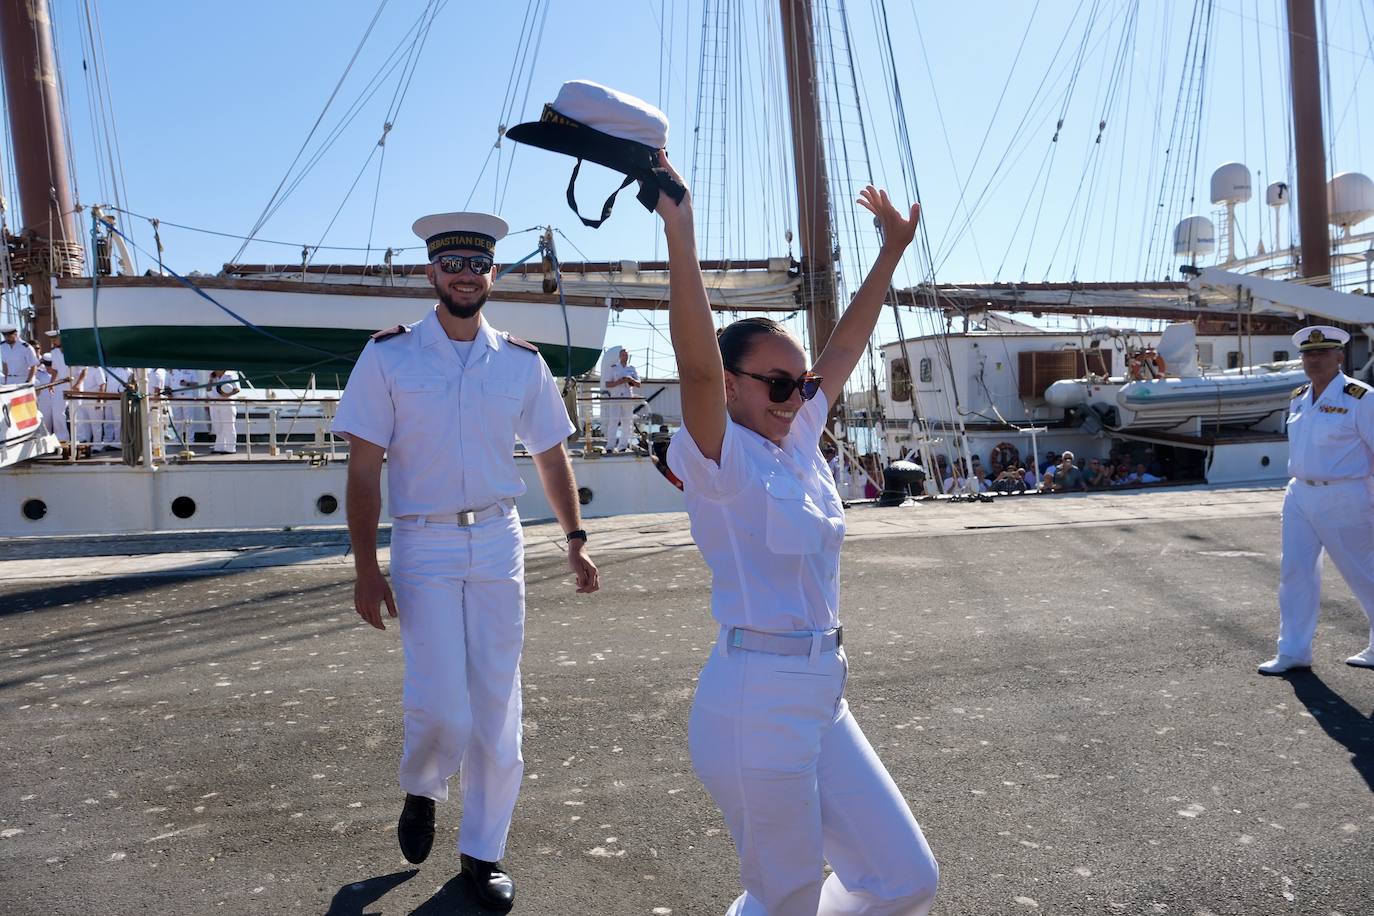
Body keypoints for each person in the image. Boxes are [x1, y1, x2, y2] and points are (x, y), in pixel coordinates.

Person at [659, 156, 938, 916]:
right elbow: (694, 367)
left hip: (823, 690)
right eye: (777, 384)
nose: (795, 395)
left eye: (799, 382)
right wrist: (680, 230)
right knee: (785, 899)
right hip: (755, 702)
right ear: (732, 385)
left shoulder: (796, 435)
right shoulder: (718, 456)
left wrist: (891, 252)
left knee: (906, 878)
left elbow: (844, 349)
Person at [332, 211, 599, 909]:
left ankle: (483, 851)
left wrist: (574, 538)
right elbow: (363, 470)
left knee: (497, 703)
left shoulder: (520, 362)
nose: (465, 276)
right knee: (442, 702)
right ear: (432, 272)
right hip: (422, 542)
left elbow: (550, 454)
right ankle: (423, 785)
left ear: (491, 275)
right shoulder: (387, 357)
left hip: (498, 539)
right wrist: (366, 569)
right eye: (452, 265)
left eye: (477, 265)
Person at [1258, 325, 1374, 675]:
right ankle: (1293, 651)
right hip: (1299, 493)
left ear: (1340, 356)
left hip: (1345, 493)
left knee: (1363, 573)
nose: (1314, 359)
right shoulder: (1298, 396)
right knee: (1295, 572)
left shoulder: (1361, 398)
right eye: (1308, 353)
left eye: (1322, 352)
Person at [602, 346, 641, 452]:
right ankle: (610, 446)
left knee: (627, 423)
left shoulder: (632, 368)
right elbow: (607, 384)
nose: (625, 357)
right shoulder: (613, 368)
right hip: (616, 398)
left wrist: (630, 379)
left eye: (626, 355)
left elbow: (638, 384)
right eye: (623, 355)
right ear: (620, 356)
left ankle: (623, 446)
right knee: (613, 422)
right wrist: (619, 381)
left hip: (628, 398)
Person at [207, 369, 240, 454]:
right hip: (214, 403)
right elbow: (208, 390)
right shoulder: (213, 378)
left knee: (228, 426)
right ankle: (219, 447)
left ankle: (230, 448)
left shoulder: (230, 375)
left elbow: (237, 389)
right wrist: (210, 380)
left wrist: (227, 394)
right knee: (217, 426)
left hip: (226, 403)